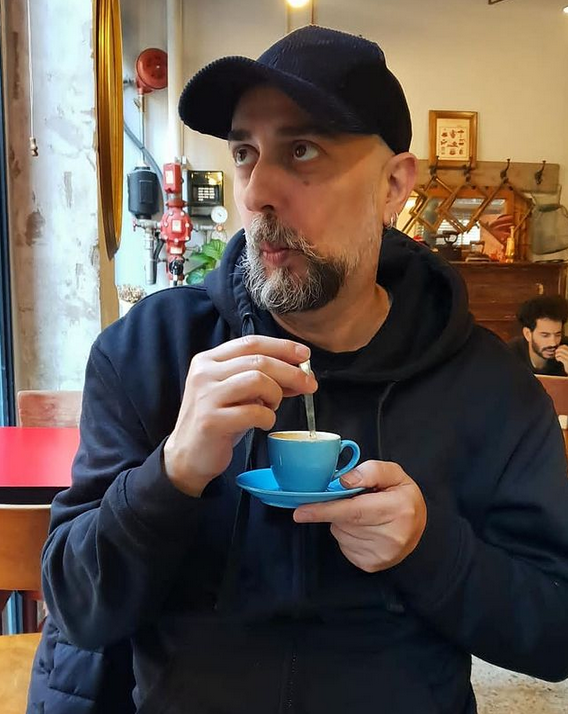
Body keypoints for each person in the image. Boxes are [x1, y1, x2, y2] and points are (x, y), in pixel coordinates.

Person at [30, 25, 568, 714]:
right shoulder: (150, 352)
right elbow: (76, 611)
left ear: (393, 186)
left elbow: (554, 632)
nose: (257, 192)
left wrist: (430, 549)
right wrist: (171, 473)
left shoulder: (488, 387)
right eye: (245, 153)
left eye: (302, 150)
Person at [508, 295, 568, 375]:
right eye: (545, 335)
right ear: (527, 334)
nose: (553, 343)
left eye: (558, 335)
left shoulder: (566, 351)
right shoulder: (511, 354)